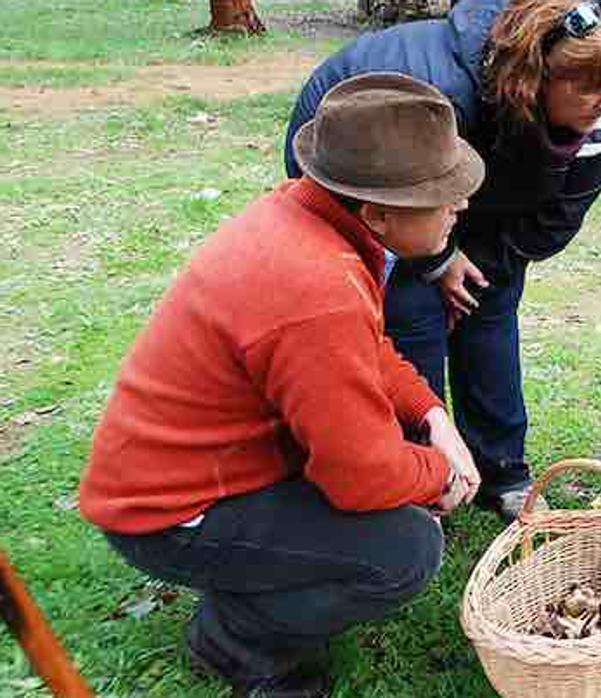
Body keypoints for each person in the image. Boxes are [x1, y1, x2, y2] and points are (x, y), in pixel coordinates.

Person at [79, 73, 485, 698]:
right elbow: (361, 478)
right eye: (443, 194)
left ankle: (255, 575)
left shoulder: (307, 223)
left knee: (396, 498)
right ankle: (235, 639)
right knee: (405, 548)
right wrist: (442, 476)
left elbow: (367, 350)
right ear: (376, 213)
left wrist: (434, 417)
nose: (459, 205)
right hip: (166, 512)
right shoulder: (316, 288)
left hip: (195, 474)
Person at [283, 0, 601, 520]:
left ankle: (503, 472)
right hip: (365, 163)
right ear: (535, 76)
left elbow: (555, 219)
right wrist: (438, 262)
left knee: (489, 303)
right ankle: (424, 478)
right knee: (413, 317)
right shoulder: (443, 95)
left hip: (472, 185)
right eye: (591, 89)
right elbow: (394, 208)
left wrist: (473, 266)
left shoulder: (597, 110)